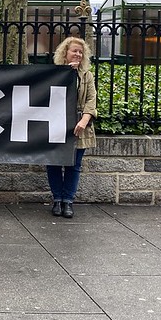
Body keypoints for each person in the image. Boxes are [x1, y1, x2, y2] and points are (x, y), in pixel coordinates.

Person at [46, 36, 97, 219]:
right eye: (74, 50)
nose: (77, 54)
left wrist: (84, 120)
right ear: (65, 53)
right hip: (56, 124)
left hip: (78, 125)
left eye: (81, 52)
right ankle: (57, 199)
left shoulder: (87, 75)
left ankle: (68, 201)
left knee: (73, 165)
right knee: (53, 163)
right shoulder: (54, 72)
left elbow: (91, 100)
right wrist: (65, 74)